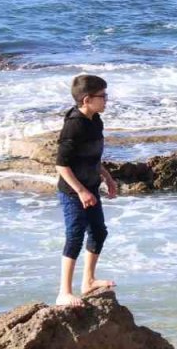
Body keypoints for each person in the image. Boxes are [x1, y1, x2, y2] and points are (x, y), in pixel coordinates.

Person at [54, 74, 118, 307]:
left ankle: (89, 281)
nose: (106, 100)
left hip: (91, 187)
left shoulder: (95, 120)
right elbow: (62, 165)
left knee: (99, 232)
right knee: (75, 236)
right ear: (87, 99)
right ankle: (64, 292)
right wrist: (81, 192)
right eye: (103, 96)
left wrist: (108, 178)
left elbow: (94, 157)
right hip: (73, 192)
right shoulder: (73, 126)